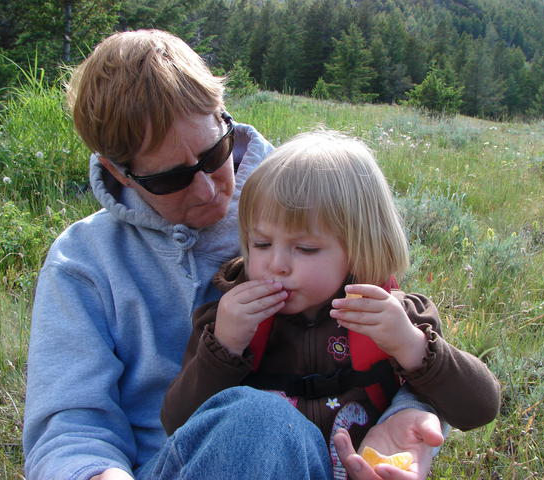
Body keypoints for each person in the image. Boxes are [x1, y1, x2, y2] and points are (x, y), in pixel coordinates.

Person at [22, 29, 451, 480]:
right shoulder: (83, 262)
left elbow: (400, 339)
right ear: (118, 173)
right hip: (157, 467)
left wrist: (406, 419)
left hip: (325, 459)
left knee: (259, 422)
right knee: (257, 419)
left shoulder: (303, 205)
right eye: (171, 179)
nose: (209, 191)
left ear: (223, 116)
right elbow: (69, 429)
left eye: (214, 153)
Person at [162, 131, 501, 479]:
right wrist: (223, 350)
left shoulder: (396, 317)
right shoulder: (229, 321)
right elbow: (178, 425)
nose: (277, 263)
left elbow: (480, 408)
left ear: (359, 248)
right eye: (261, 243)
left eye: (305, 248)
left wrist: (412, 346)